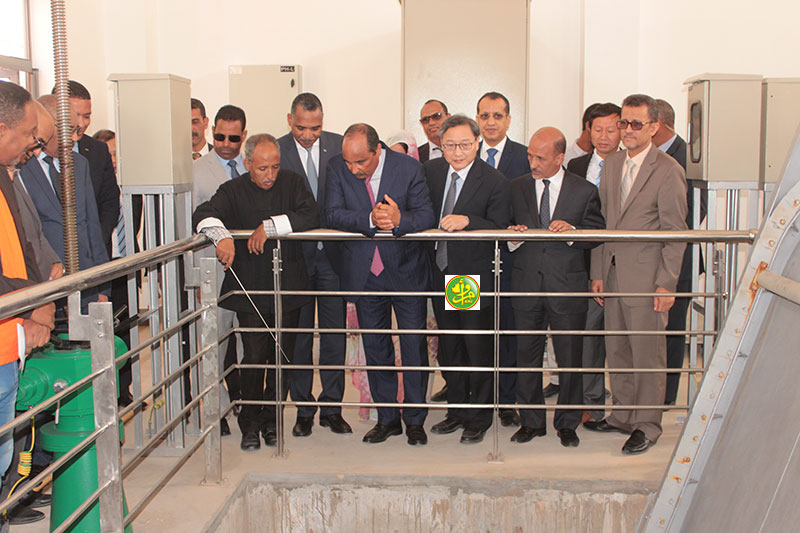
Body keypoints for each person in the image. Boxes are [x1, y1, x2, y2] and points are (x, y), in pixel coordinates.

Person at [193, 134, 318, 451]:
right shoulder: (232, 190)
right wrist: (222, 236)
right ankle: (249, 424)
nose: (270, 175)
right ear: (247, 163)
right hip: (249, 289)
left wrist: (270, 226)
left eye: (275, 166)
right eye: (262, 168)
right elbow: (203, 212)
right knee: (253, 359)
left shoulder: (292, 182)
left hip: (289, 286)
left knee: (282, 359)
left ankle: (272, 422)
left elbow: (311, 214)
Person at [586, 94, 687, 455]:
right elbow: (602, 223)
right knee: (618, 350)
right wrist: (598, 271)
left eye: (635, 124)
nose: (627, 130)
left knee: (647, 355)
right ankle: (622, 415)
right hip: (612, 275)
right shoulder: (613, 164)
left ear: (654, 127)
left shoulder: (668, 170)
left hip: (648, 280)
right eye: (623, 123)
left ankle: (647, 424)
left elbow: (675, 232)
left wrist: (666, 284)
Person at [325, 123, 434, 446]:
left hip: (406, 271)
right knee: (376, 348)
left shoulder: (408, 168)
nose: (354, 169)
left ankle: (415, 420)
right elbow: (332, 214)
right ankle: (387, 419)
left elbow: (426, 215)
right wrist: (369, 220)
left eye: (361, 162)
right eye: (349, 162)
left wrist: (400, 221)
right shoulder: (337, 167)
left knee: (413, 347)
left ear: (378, 151)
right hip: (364, 273)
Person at [507, 127, 604, 448]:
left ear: (560, 157)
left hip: (567, 286)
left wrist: (574, 231)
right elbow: (503, 227)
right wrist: (512, 236)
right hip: (526, 284)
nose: (533, 163)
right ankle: (531, 422)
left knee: (570, 358)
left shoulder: (584, 190)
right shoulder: (516, 187)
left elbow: (597, 231)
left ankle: (567, 422)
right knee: (526, 357)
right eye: (530, 156)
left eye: (540, 158)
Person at [423, 115, 510, 444]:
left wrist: (469, 220)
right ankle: (456, 410)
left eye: (464, 145)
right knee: (450, 346)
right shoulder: (430, 172)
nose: (457, 152)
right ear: (441, 146)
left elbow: (500, 226)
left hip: (467, 276)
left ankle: (480, 416)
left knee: (475, 347)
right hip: (438, 270)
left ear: (477, 143)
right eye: (450, 145)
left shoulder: (493, 180)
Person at [276, 93, 351, 437]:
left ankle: (332, 408)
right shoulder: (277, 151)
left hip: (334, 260)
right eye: (301, 128)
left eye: (315, 128)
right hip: (296, 261)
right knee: (300, 337)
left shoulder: (338, 146)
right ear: (289, 120)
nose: (308, 135)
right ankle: (304, 408)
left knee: (335, 336)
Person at [0, 81, 55, 526]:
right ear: (3, 130)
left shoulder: (4, 177)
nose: (30, 147)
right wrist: (32, 301)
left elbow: (22, 245)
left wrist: (41, 299)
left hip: (8, 339)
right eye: (26, 136)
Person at [19, 96, 109, 308]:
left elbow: (92, 227)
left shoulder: (79, 164)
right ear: (47, 126)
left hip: (85, 284)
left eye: (76, 130)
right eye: (69, 130)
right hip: (43, 286)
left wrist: (102, 287)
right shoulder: (20, 166)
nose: (75, 138)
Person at [476, 91, 531, 427]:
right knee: (466, 333)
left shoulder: (525, 156)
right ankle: (469, 403)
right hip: (466, 265)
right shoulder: (464, 154)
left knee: (509, 332)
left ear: (509, 120)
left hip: (512, 263)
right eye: (485, 115)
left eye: (498, 115)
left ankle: (507, 400)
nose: (491, 122)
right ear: (477, 119)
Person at [193, 104, 249, 434]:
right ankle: (216, 409)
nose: (226, 144)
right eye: (220, 136)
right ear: (212, 131)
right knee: (214, 345)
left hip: (251, 271)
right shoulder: (197, 170)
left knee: (247, 343)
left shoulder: (253, 166)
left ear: (244, 135)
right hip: (212, 271)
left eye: (233, 138)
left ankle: (246, 402)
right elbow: (189, 224)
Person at [566, 102, 621, 422]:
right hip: (581, 262)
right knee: (586, 337)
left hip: (618, 261)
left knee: (618, 338)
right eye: (597, 129)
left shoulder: (629, 165)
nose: (603, 136)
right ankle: (591, 402)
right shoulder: (575, 165)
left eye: (610, 130)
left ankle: (624, 407)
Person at [653, 98, 707, 405]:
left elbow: (699, 207)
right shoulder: (644, 155)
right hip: (648, 259)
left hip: (679, 260)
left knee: (672, 331)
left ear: (656, 124)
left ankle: (666, 397)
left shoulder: (688, 157)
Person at [54, 81, 120, 259]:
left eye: (87, 116)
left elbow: (110, 202)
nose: (81, 123)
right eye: (76, 116)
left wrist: (96, 240)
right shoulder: (36, 156)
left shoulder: (98, 150)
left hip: (95, 252)